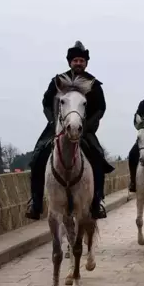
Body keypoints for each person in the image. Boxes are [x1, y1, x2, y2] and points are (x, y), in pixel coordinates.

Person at [26, 41, 114, 220]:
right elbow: (46, 103)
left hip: (84, 128)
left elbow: (100, 108)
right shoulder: (58, 81)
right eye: (76, 60)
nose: (79, 63)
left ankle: (98, 201)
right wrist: (53, 121)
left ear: (86, 63)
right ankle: (35, 203)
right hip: (57, 127)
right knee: (38, 157)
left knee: (97, 157)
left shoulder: (93, 83)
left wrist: (88, 126)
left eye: (82, 60)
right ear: (70, 62)